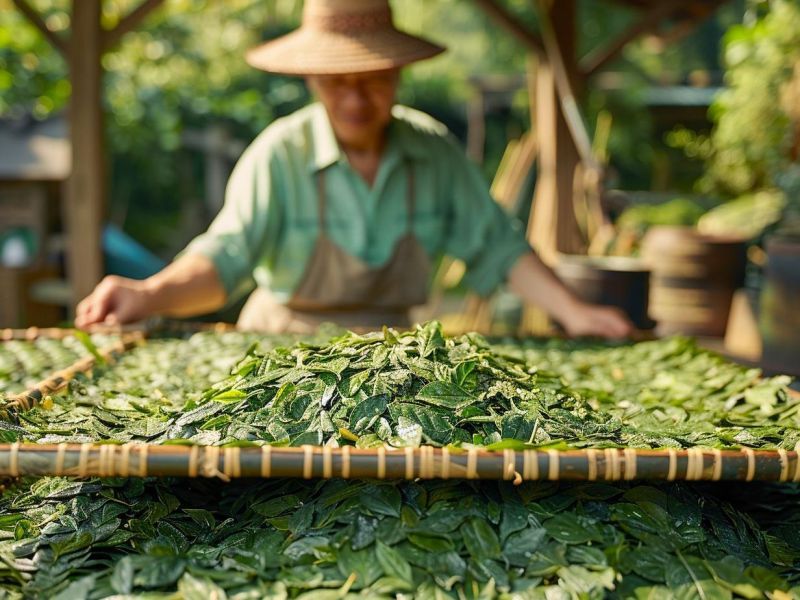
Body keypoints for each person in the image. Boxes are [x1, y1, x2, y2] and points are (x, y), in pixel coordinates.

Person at [76, 0, 632, 338]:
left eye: (372, 78)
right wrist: (148, 294)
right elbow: (225, 259)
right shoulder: (280, 155)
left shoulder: (433, 154)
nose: (356, 98)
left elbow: (498, 246)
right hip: (281, 352)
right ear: (311, 79)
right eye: (336, 80)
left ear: (397, 73)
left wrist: (575, 311)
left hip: (391, 359)